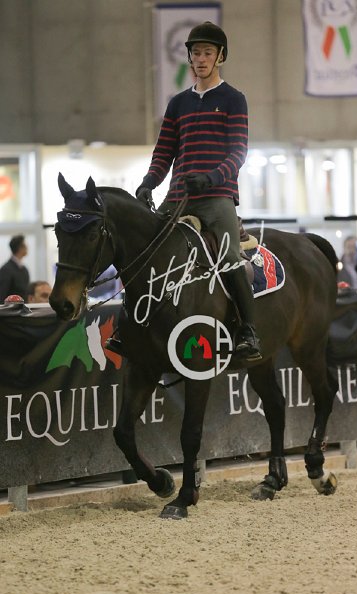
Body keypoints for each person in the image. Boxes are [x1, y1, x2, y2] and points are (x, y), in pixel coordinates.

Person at [133, 22, 261, 361]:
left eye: (207, 53)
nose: (201, 59)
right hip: (177, 197)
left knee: (229, 259)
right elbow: (164, 152)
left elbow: (238, 153)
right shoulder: (178, 103)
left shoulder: (234, 99)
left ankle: (248, 330)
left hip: (217, 197)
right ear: (189, 58)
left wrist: (211, 178)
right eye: (196, 53)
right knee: (144, 251)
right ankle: (130, 325)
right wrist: (148, 182)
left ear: (220, 57)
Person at [0, 234, 30, 302]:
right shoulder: (6, 269)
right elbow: (1, 295)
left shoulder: (24, 269)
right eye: (25, 245)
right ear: (20, 248)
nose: (27, 247)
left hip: (22, 307)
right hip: (11, 308)